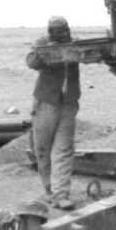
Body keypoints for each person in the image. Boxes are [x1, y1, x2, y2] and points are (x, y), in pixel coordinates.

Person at [26, 16, 80, 210]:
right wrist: (48, 50)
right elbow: (31, 62)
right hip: (46, 101)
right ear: (50, 32)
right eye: (59, 31)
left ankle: (60, 193)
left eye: (65, 30)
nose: (64, 34)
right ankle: (49, 188)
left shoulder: (74, 44)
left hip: (68, 102)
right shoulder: (42, 43)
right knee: (42, 148)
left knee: (64, 149)